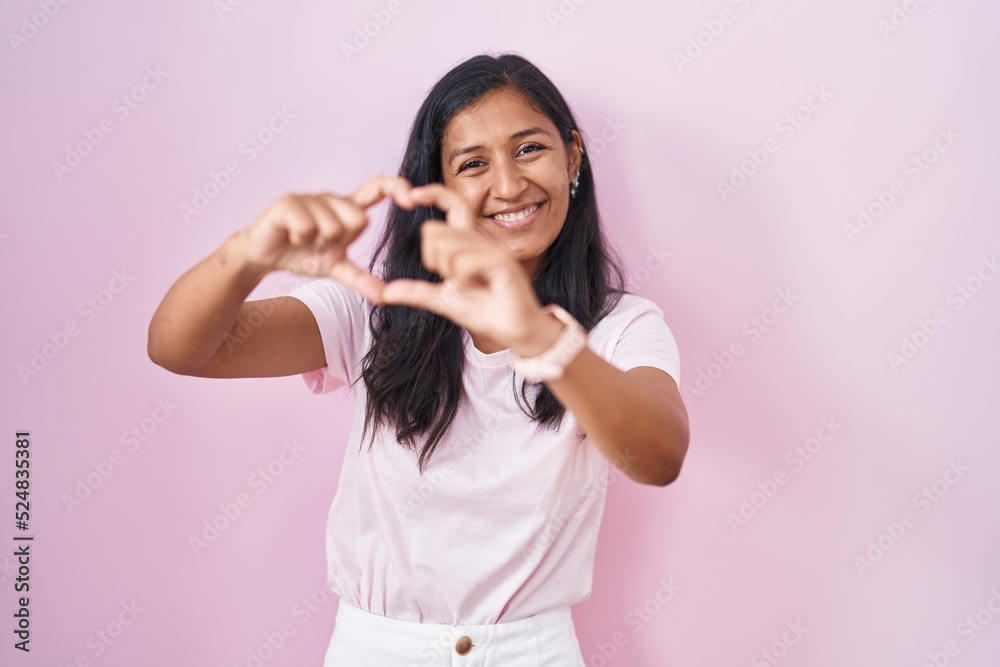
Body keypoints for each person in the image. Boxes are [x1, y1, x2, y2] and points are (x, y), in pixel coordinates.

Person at [147, 52, 689, 666]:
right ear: (440, 188)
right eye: (473, 164)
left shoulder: (621, 327)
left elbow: (660, 455)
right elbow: (178, 348)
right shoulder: (377, 306)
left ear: (573, 156)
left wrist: (541, 338)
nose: (508, 185)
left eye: (529, 149)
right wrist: (248, 254)